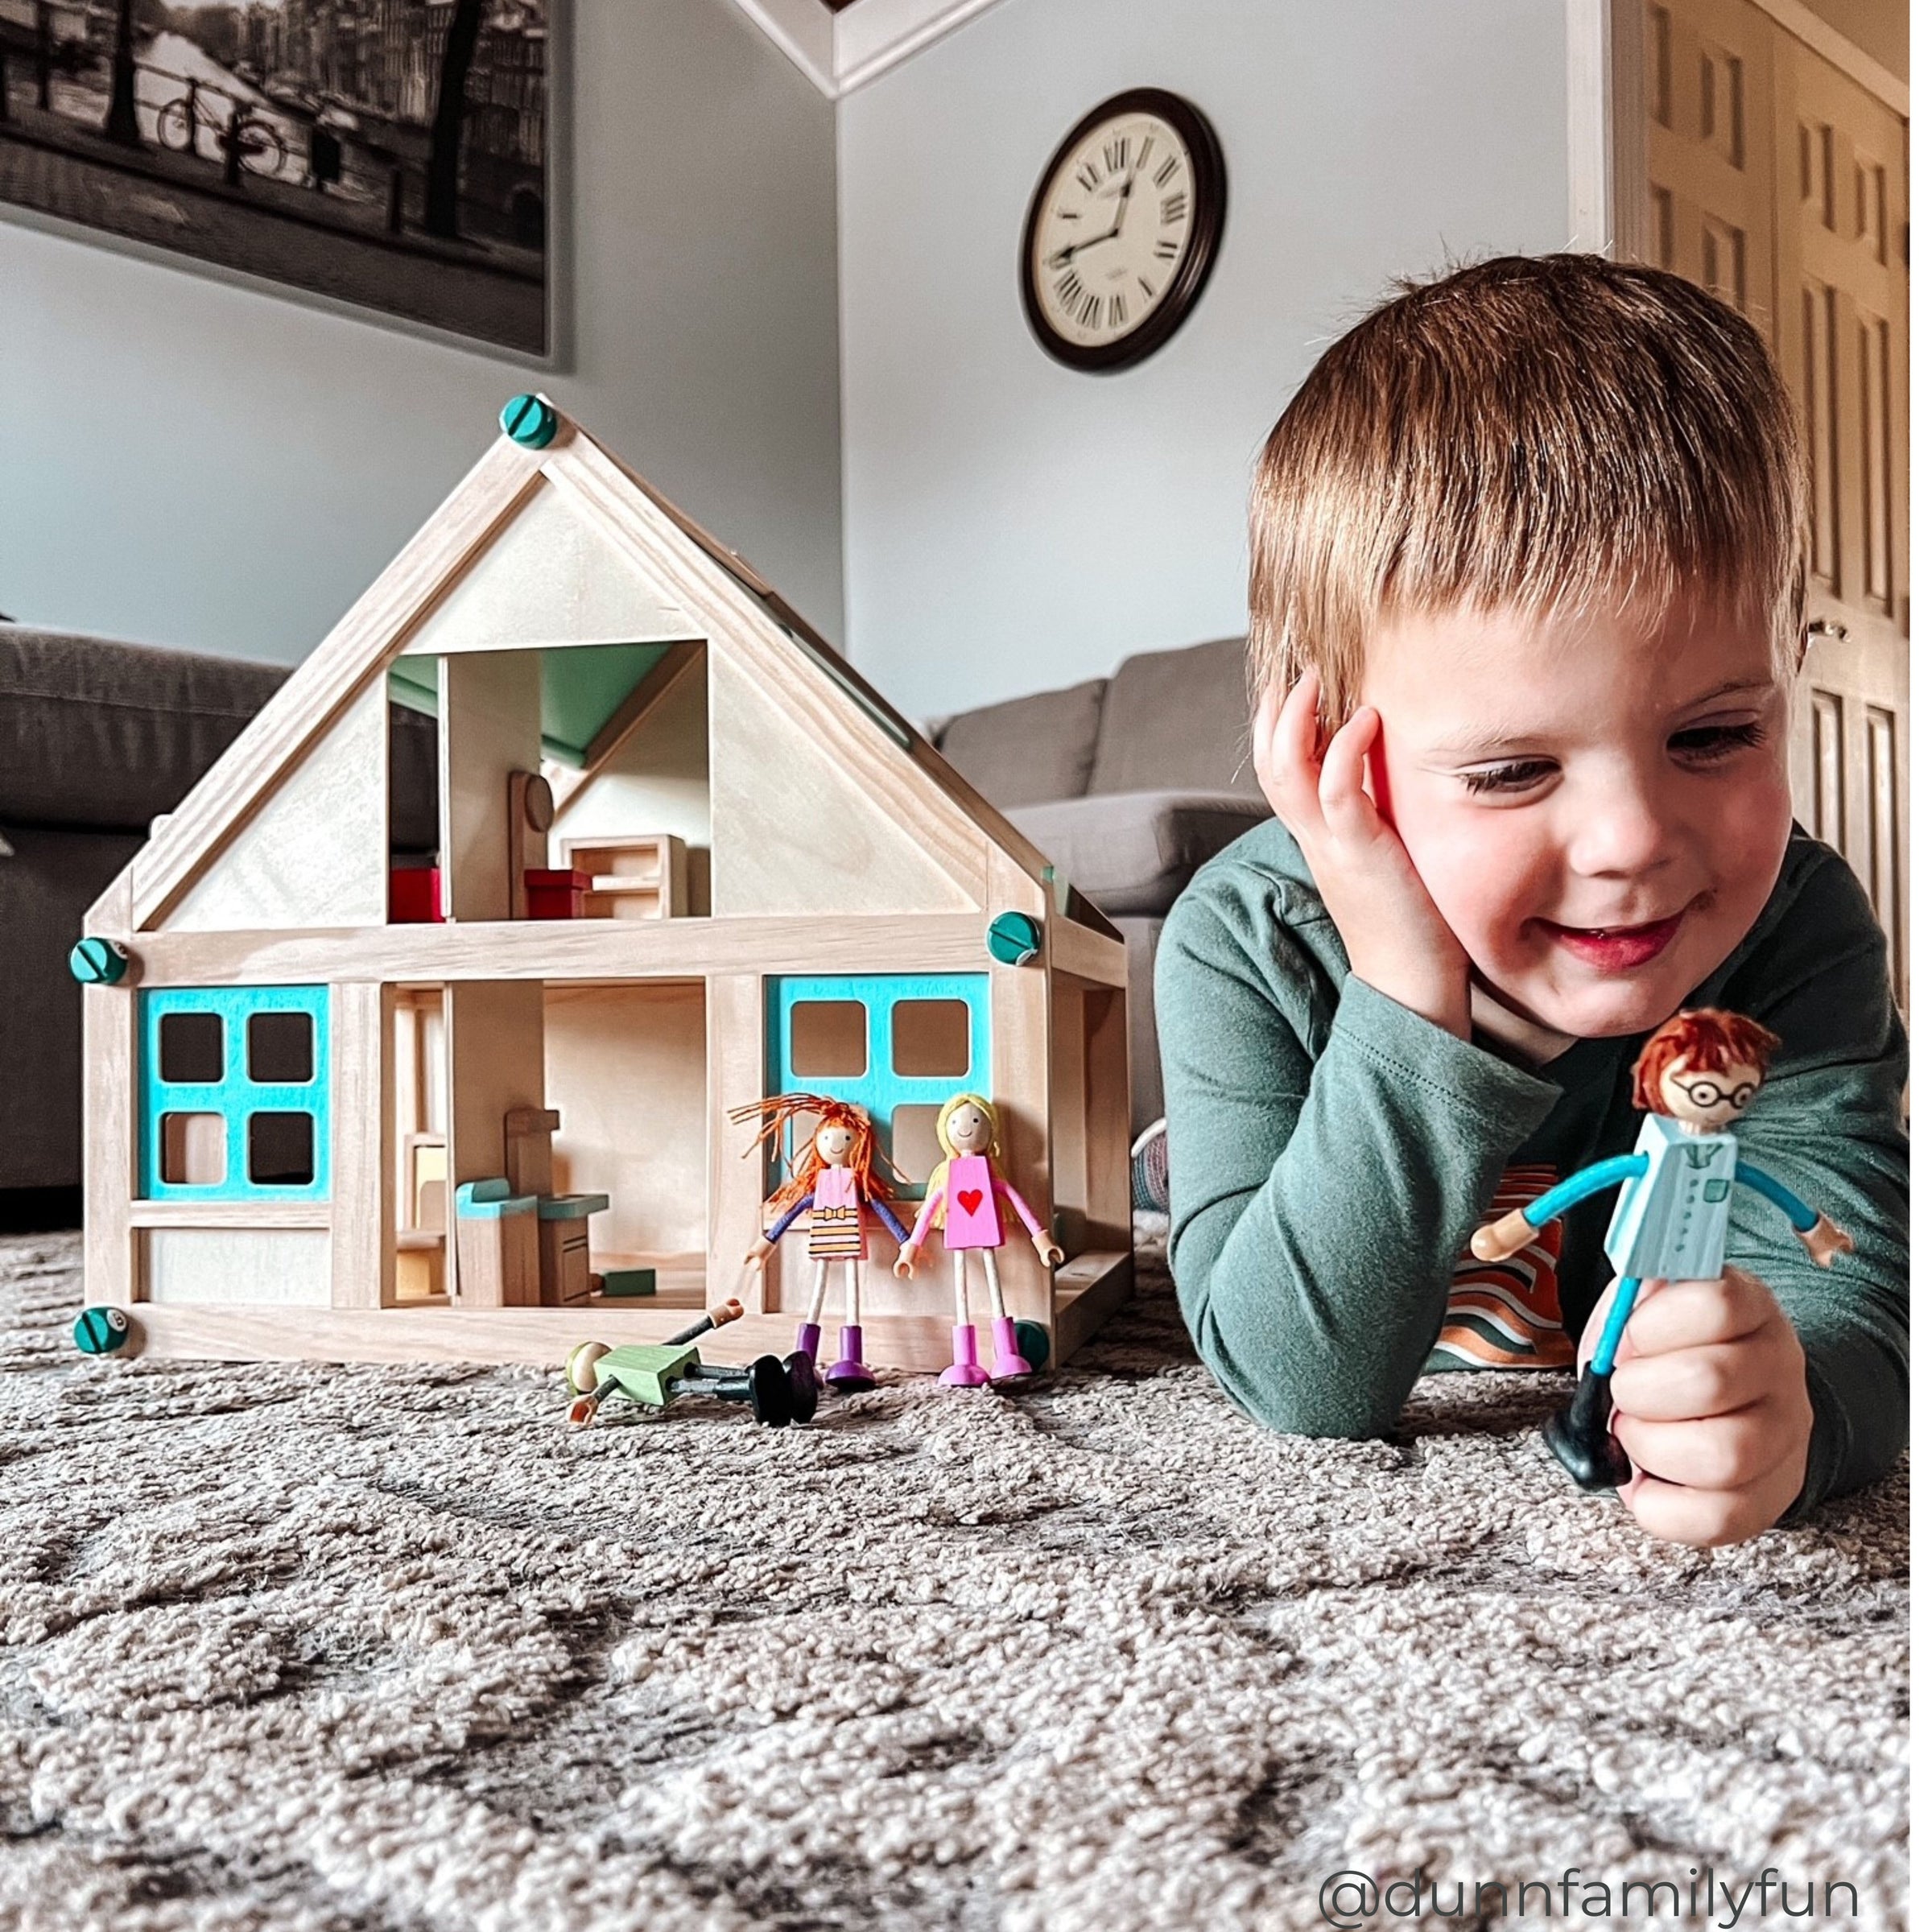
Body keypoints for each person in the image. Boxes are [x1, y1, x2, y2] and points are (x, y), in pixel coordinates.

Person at [1155, 253, 1907, 1548]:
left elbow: (1847, 1287)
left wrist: (1793, 1412)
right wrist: (1408, 990)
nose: (1630, 843)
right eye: (1512, 771)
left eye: (1718, 736)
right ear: (1337, 759)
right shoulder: (1242, 941)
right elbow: (1298, 1381)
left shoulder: (1797, 922)